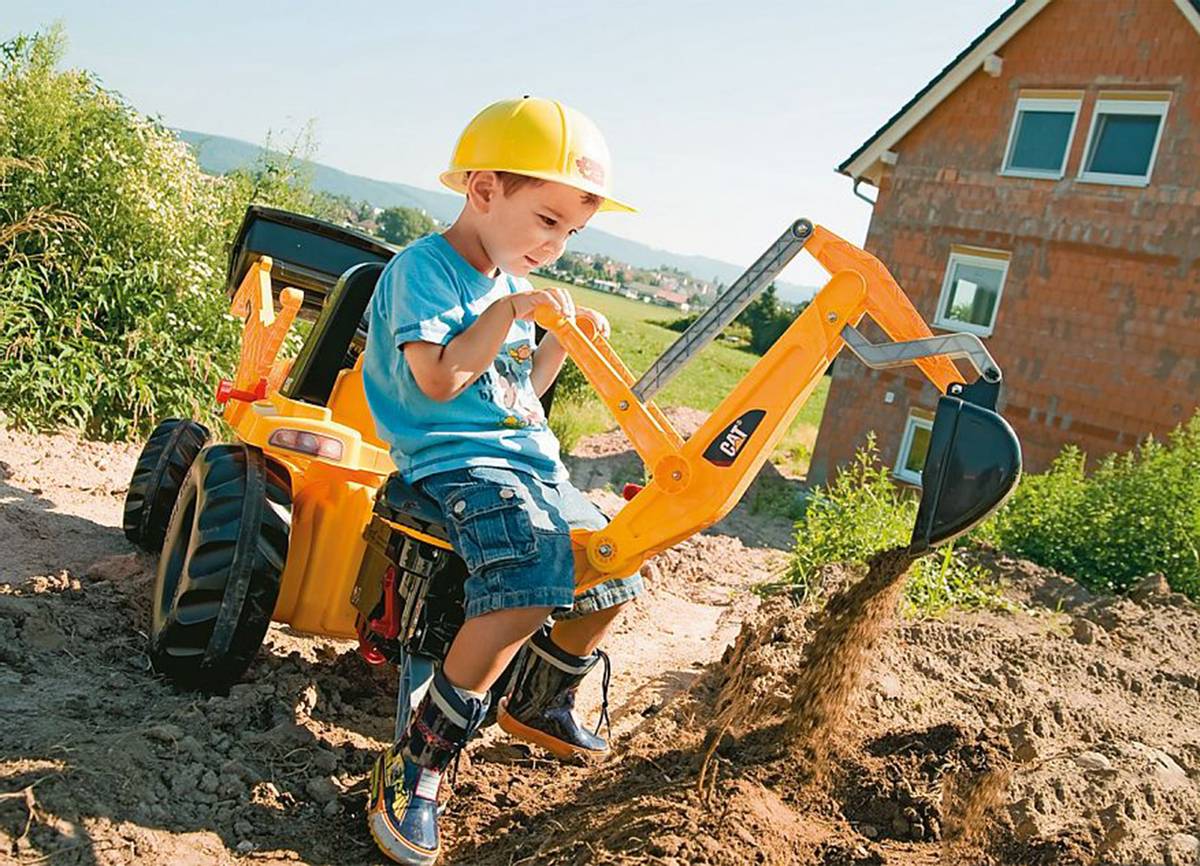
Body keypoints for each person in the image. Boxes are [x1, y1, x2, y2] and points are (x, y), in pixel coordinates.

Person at [361, 96, 643, 865]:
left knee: (617, 561)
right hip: (455, 460)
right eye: (546, 221)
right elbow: (447, 378)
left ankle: (539, 702)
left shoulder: (508, 286)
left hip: (527, 458)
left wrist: (552, 339)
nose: (556, 245)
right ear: (483, 190)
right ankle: (420, 759)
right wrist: (512, 308)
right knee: (530, 577)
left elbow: (520, 392)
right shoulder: (425, 271)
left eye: (572, 233)